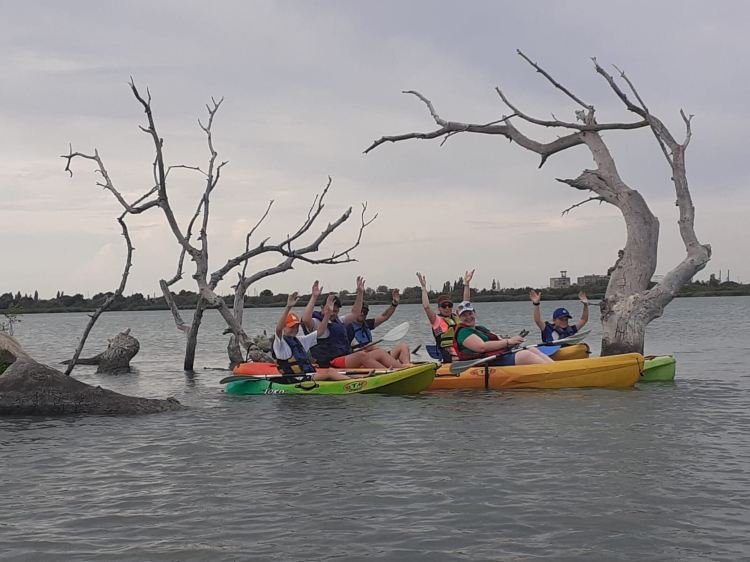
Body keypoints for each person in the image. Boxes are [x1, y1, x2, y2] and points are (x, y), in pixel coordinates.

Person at [302, 278, 402, 369]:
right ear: (322, 307)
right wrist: (314, 297)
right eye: (331, 310)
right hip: (329, 362)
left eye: (336, 311)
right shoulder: (316, 323)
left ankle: (402, 369)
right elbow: (306, 320)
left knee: (379, 352)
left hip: (343, 358)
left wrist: (360, 293)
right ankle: (388, 373)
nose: (333, 313)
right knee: (361, 355)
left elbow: (355, 313)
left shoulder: (338, 321)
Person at [271, 292, 351, 381]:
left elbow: (320, 332)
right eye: (291, 327)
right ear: (284, 327)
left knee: (334, 371)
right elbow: (278, 329)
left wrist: (327, 313)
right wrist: (288, 307)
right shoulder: (280, 344)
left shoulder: (300, 340)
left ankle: (359, 379)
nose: (295, 329)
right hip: (295, 380)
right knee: (330, 372)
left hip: (308, 376)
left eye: (296, 326)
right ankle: (355, 383)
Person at [453, 301, 553, 366]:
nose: (468, 317)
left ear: (474, 313)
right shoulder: (463, 332)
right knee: (525, 355)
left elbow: (498, 339)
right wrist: (508, 342)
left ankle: (554, 367)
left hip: (495, 357)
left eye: (470, 313)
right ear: (459, 317)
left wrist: (513, 341)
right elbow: (481, 347)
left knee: (530, 349)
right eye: (464, 315)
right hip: (485, 362)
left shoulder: (480, 329)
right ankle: (552, 371)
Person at [416, 269, 474, 363]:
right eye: (444, 306)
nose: (447, 308)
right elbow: (426, 307)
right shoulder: (436, 320)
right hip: (450, 356)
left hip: (464, 351)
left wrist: (466, 284)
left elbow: (466, 302)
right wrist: (423, 288)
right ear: (439, 308)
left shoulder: (457, 317)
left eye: (449, 305)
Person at [347, 289, 410, 364]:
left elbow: (385, 316)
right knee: (375, 349)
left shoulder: (367, 324)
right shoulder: (347, 327)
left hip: (377, 357)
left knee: (403, 347)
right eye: (360, 311)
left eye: (365, 311)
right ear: (355, 311)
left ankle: (407, 366)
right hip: (362, 360)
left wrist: (394, 304)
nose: (362, 313)